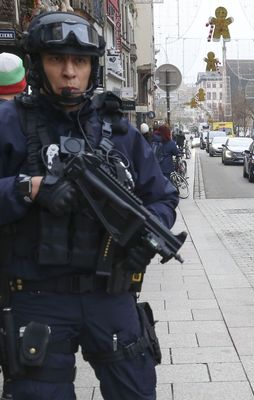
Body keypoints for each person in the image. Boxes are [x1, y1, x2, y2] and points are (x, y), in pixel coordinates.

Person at [0, 11, 178, 399]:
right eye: (56, 60)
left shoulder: (120, 131)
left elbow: (162, 196)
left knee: (135, 391)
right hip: (37, 297)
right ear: (37, 65)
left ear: (93, 68)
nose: (68, 72)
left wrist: (146, 236)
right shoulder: (8, 123)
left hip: (110, 295)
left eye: (79, 61)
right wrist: (28, 189)